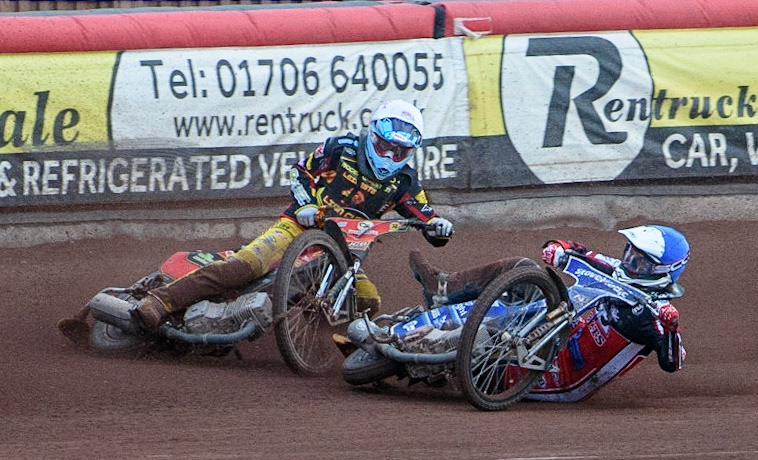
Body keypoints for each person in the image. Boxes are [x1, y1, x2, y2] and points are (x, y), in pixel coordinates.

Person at [133, 100, 453, 330]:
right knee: (247, 266)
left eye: (398, 151)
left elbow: (425, 215)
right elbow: (301, 173)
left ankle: (309, 341)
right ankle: (162, 301)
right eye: (384, 146)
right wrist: (305, 207)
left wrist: (439, 227)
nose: (388, 156)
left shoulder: (406, 181)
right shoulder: (341, 147)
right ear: (373, 135)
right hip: (296, 227)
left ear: (410, 152)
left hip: (342, 253)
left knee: (368, 301)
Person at [409, 224, 689, 374]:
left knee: (491, 333)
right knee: (523, 268)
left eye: (639, 262)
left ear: (662, 272)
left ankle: (433, 347)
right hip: (552, 323)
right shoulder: (616, 269)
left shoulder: (657, 312)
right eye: (629, 253)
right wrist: (557, 248)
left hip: (563, 370)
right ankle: (443, 289)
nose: (629, 263)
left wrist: (671, 328)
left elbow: (672, 363)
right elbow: (582, 252)